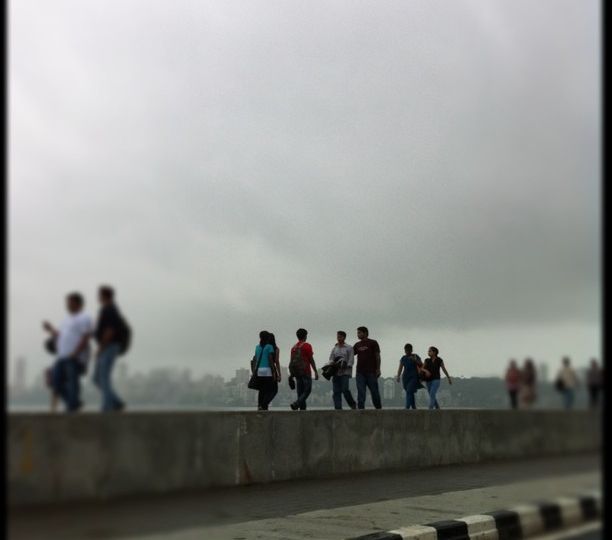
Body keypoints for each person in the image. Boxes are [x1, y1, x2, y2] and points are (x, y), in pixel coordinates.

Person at [42, 292, 93, 412]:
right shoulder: (66, 319)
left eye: (69, 302)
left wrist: (76, 353)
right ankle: (74, 403)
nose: (67, 305)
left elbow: (86, 337)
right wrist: (50, 329)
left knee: (73, 382)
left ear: (78, 303)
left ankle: (72, 407)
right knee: (55, 382)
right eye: (67, 302)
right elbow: (61, 336)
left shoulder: (85, 317)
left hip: (74, 357)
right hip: (61, 356)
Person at [93, 285, 127, 412]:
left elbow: (110, 330)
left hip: (109, 347)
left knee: (103, 377)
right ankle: (117, 402)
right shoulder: (107, 309)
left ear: (104, 296)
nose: (97, 297)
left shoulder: (110, 309)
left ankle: (107, 408)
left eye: (99, 295)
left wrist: (100, 348)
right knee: (97, 378)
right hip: (107, 346)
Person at [288, 328, 318, 410]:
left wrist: (291, 373)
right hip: (305, 372)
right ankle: (297, 403)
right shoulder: (307, 346)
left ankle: (302, 410)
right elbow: (311, 359)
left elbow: (291, 361)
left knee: (300, 392)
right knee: (307, 391)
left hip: (297, 373)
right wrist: (315, 371)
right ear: (305, 336)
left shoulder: (293, 348)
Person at [353, 326, 382, 409]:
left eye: (359, 332)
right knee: (361, 391)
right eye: (357, 333)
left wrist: (378, 369)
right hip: (360, 372)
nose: (358, 334)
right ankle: (361, 409)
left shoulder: (373, 343)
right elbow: (350, 354)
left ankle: (378, 409)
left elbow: (377, 356)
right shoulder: (357, 345)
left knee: (374, 392)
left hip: (371, 372)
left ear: (365, 333)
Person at [327, 331, 356, 410]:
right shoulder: (334, 348)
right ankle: (338, 408)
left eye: (340, 337)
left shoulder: (349, 348)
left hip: (345, 373)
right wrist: (332, 364)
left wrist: (346, 365)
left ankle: (352, 404)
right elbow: (331, 359)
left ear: (344, 337)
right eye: (337, 337)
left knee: (345, 389)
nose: (338, 338)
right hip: (336, 373)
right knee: (336, 391)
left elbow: (351, 360)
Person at [252, 331, 279, 410]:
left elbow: (255, 359)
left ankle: (259, 405)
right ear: (267, 338)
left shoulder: (257, 347)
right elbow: (270, 359)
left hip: (259, 371)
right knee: (271, 390)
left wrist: (254, 371)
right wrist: (274, 371)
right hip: (267, 371)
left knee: (261, 390)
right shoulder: (269, 346)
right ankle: (264, 404)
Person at [395, 343, 428, 409]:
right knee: (410, 391)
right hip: (405, 377)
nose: (407, 351)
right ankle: (414, 407)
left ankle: (407, 407)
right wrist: (398, 376)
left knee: (409, 390)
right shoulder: (403, 358)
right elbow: (400, 368)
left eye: (408, 350)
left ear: (411, 350)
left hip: (414, 377)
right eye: (406, 350)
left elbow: (421, 365)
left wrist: (414, 360)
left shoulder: (415, 356)